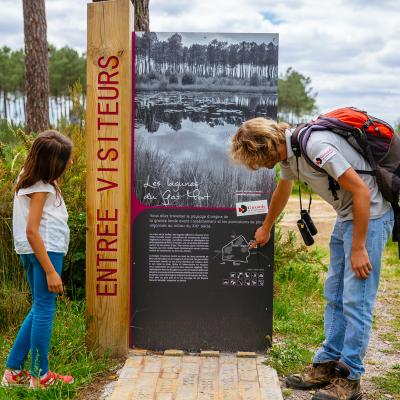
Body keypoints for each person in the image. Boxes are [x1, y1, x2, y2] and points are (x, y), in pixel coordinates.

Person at [231, 117, 394, 400]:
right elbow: (282, 191)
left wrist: (359, 248)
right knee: (334, 293)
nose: (259, 166)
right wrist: (266, 227)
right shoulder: (289, 156)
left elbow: (362, 192)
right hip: (347, 219)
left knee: (357, 299)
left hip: (371, 218)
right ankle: (328, 363)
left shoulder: (316, 146)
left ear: (266, 147)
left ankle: (350, 376)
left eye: (256, 159)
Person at [1, 130, 75, 389]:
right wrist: (51, 271)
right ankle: (40, 376)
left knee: (39, 307)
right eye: (67, 160)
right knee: (45, 310)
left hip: (31, 251)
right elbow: (33, 230)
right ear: (53, 164)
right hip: (45, 251)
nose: (71, 163)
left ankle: (13, 371)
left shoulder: (28, 177)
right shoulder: (41, 187)